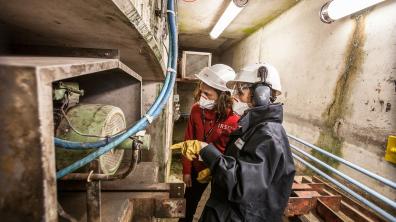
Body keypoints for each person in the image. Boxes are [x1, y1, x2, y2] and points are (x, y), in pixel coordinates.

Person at [174, 63, 296, 222]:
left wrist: (206, 151)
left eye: (240, 91)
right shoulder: (252, 128)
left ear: (262, 94)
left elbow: (242, 185)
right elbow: (239, 167)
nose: (234, 96)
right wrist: (213, 170)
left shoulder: (268, 137)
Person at [178, 64, 240, 222]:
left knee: (217, 208)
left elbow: (232, 154)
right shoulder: (196, 110)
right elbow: (188, 140)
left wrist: (218, 172)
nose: (202, 97)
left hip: (220, 171)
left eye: (207, 94)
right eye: (201, 92)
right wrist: (186, 170)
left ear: (223, 97)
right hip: (197, 169)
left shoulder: (234, 120)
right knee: (188, 204)